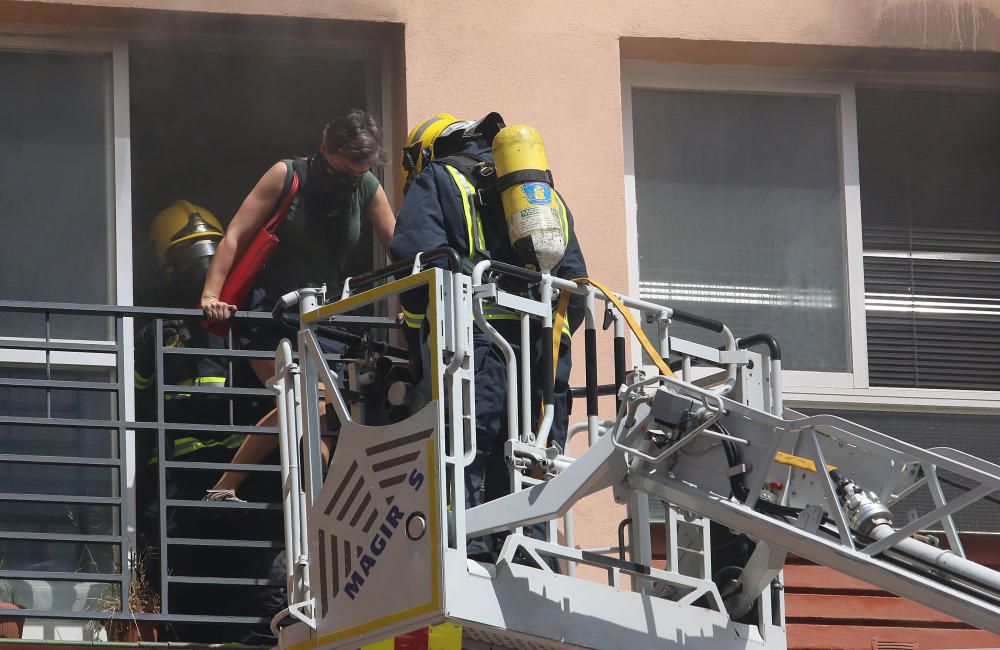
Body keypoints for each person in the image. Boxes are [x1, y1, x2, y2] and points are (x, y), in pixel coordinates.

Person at [391, 112, 588, 563]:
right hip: (543, 353)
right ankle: (532, 552)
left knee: (466, 442)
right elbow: (576, 288)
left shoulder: (439, 180)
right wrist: (547, 339)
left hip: (473, 341)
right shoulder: (541, 194)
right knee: (532, 454)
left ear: (426, 152)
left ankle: (466, 546)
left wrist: (420, 334)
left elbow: (414, 262)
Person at [200, 109, 395, 501]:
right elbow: (235, 235)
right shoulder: (287, 174)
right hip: (270, 314)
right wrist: (211, 295)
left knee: (316, 420)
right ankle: (234, 485)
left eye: (357, 174)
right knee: (302, 403)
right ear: (324, 149)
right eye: (342, 171)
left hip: (326, 321)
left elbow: (401, 250)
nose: (348, 182)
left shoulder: (368, 188)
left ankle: (315, 512)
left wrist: (415, 299)